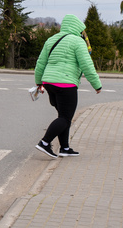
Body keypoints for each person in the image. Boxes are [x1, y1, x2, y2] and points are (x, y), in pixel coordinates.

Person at [34, 14, 102, 158]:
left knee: (63, 117)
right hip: (66, 84)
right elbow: (86, 64)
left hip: (49, 83)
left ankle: (64, 148)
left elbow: (41, 62)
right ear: (78, 28)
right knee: (65, 118)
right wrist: (96, 84)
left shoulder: (51, 39)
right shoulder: (78, 41)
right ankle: (45, 143)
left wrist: (38, 82)